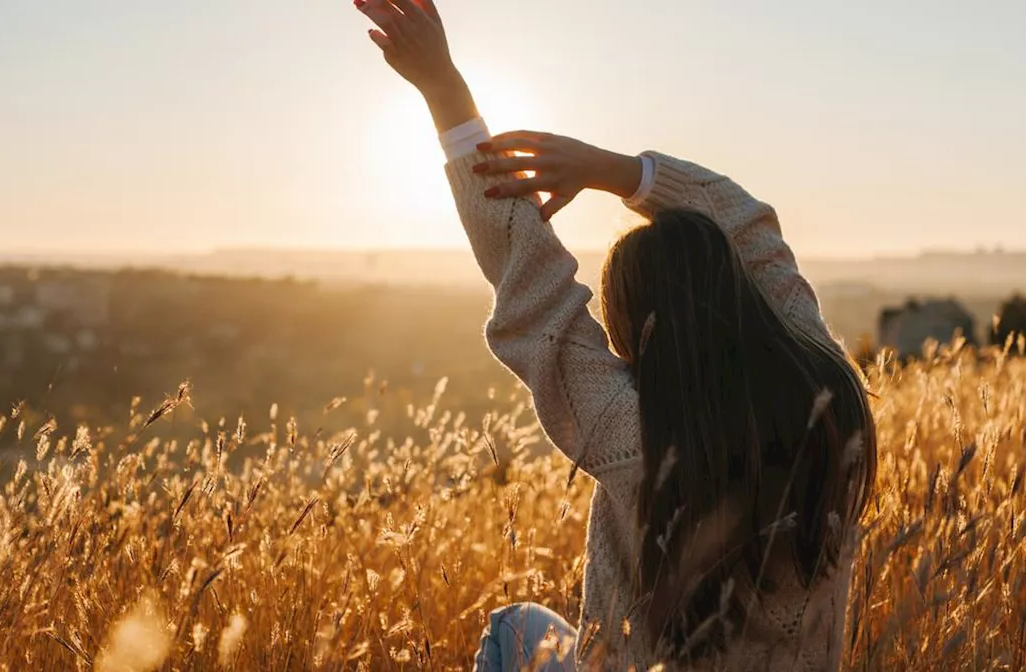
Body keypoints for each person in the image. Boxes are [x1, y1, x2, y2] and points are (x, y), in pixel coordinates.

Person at [354, 1, 878, 669]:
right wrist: (615, 171)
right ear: (739, 288)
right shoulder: (831, 396)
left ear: (637, 330)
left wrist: (444, 90)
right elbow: (751, 228)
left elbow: (528, 275)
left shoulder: (631, 431)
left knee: (515, 626)